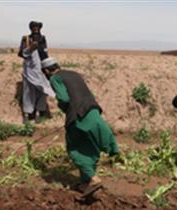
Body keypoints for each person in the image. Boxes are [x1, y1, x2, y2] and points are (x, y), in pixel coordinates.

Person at [41, 57, 119, 196]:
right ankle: (85, 182)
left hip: (79, 116)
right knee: (89, 145)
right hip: (93, 110)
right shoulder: (74, 73)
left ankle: (94, 179)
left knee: (74, 148)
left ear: (47, 71)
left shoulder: (55, 78)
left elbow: (64, 98)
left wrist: (65, 108)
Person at [18, 21, 54, 123]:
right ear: (31, 28)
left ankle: (38, 111)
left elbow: (45, 54)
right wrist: (30, 49)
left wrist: (47, 67)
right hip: (29, 70)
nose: (36, 30)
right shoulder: (26, 38)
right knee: (28, 91)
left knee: (43, 89)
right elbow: (21, 53)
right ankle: (28, 114)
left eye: (38, 28)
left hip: (40, 69)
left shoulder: (42, 39)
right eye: (34, 27)